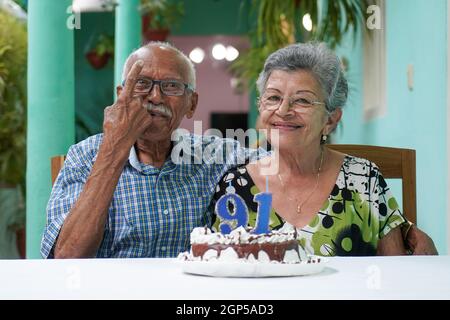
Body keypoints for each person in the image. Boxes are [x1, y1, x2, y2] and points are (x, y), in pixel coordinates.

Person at [41, 42, 265, 258]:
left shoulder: (214, 155)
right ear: (122, 96)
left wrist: (275, 117)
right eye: (141, 83)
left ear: (191, 104)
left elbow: (286, 164)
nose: (155, 97)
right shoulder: (84, 156)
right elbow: (68, 256)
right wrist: (115, 147)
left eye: (171, 86)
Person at [211, 42, 438, 256]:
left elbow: (395, 275)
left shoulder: (363, 178)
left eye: (302, 101)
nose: (283, 110)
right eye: (273, 97)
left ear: (331, 119)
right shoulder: (234, 186)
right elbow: (223, 276)